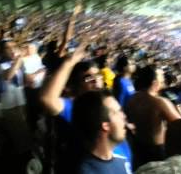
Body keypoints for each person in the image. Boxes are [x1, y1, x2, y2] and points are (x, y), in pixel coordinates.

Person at [41, 40, 133, 174]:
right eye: (88, 78)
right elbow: (47, 98)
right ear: (73, 87)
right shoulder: (74, 108)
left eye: (98, 76)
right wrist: (69, 62)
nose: (96, 80)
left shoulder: (107, 101)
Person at [127, 65, 181, 169]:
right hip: (156, 151)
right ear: (154, 82)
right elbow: (180, 125)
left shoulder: (133, 98)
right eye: (161, 75)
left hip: (137, 146)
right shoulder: (160, 102)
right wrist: (178, 107)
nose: (163, 78)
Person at [72, 90, 131, 174]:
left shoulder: (122, 157)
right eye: (118, 112)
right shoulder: (86, 171)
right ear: (105, 126)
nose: (124, 116)